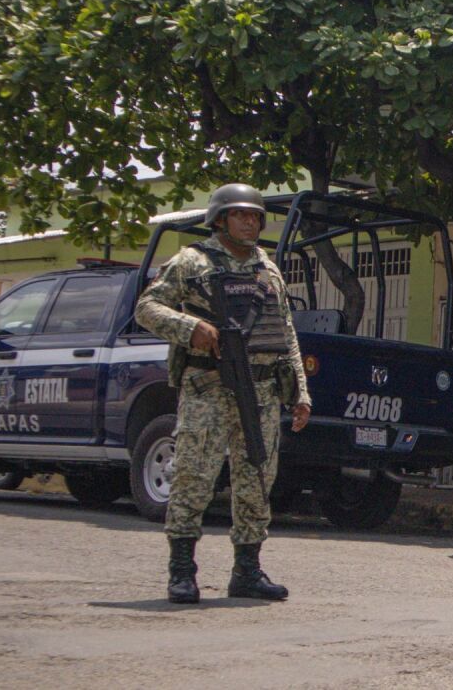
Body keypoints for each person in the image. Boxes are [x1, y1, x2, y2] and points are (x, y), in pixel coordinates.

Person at [136, 183, 313, 604]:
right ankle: (182, 571)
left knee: (256, 479)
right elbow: (147, 308)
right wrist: (189, 328)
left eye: (255, 216)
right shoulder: (191, 262)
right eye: (241, 215)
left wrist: (300, 393)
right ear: (219, 219)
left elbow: (286, 332)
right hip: (208, 387)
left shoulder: (267, 269)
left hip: (263, 391)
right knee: (193, 476)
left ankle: (247, 572)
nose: (250, 222)